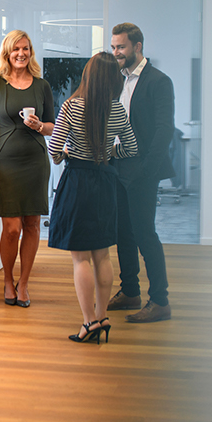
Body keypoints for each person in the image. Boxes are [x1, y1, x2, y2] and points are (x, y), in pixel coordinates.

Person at [47, 53, 138, 343]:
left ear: (89, 75)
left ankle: (88, 323)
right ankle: (103, 316)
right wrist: (110, 153)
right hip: (105, 181)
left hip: (78, 182)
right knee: (103, 253)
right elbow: (131, 148)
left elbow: (55, 150)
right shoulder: (117, 109)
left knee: (80, 258)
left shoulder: (72, 106)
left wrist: (66, 155)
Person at [0, 30, 54, 307]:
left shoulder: (42, 86)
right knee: (12, 228)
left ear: (31, 52)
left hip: (36, 162)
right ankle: (7, 279)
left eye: (26, 49)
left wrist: (39, 125)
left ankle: (24, 283)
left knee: (32, 225)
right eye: (16, 49)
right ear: (7, 52)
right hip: (6, 163)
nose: (21, 54)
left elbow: (52, 126)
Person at [106, 23, 177, 324]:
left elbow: (164, 130)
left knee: (145, 233)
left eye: (121, 47)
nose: (116, 53)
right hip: (117, 166)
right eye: (113, 47)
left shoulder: (159, 81)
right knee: (123, 233)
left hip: (143, 170)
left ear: (137, 46)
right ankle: (130, 291)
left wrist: (148, 170)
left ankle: (160, 300)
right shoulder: (116, 80)